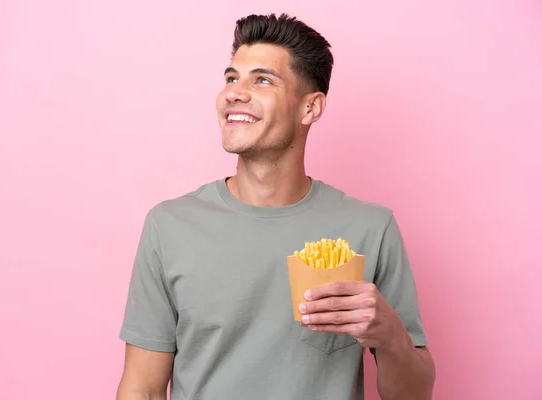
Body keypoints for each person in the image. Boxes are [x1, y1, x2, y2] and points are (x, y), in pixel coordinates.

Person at [116, 13, 435, 400]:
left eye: (262, 79)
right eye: (231, 78)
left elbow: (414, 395)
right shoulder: (169, 227)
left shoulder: (371, 228)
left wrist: (391, 336)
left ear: (310, 109)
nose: (234, 92)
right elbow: (142, 390)